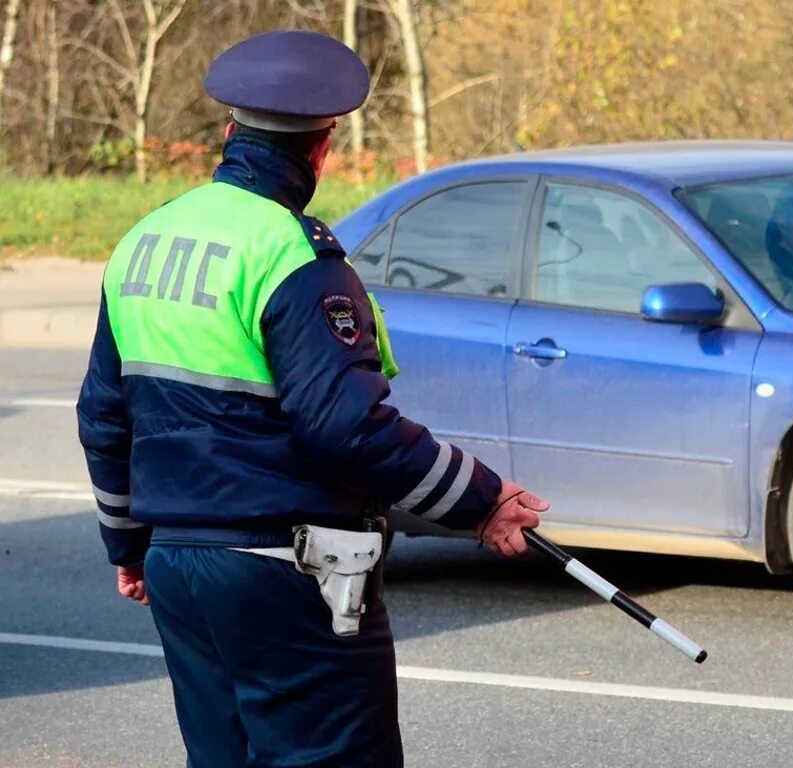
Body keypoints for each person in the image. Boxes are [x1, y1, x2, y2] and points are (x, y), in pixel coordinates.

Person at [75, 29, 549, 768]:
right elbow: (346, 428)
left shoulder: (143, 240)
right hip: (286, 572)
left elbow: (103, 414)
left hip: (180, 567)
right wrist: (481, 500)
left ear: (229, 132)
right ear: (322, 149)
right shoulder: (296, 255)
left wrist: (128, 544)